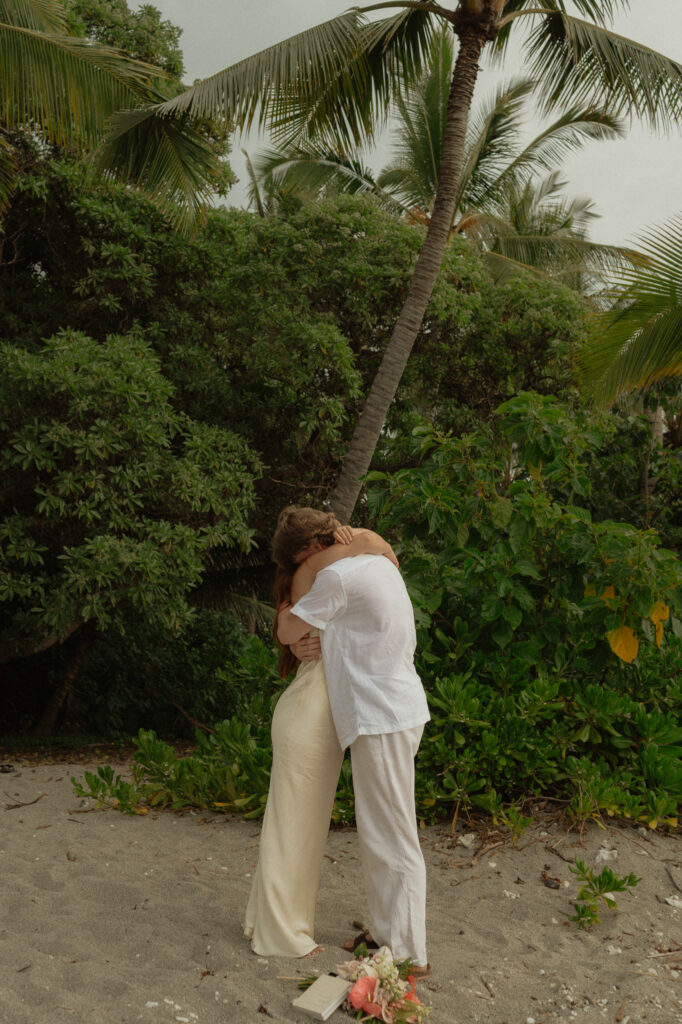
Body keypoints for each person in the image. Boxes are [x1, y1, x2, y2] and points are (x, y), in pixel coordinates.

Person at [277, 510, 431, 974]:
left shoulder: (339, 577)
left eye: (295, 560)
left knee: (393, 834)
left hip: (380, 713)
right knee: (381, 830)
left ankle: (408, 953)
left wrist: (301, 578)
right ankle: (387, 935)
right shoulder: (376, 561)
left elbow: (287, 630)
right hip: (393, 707)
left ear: (307, 551)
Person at [243, 507, 396, 958]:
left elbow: (379, 553)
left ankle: (271, 922)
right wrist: (351, 539)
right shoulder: (315, 569)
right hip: (309, 712)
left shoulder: (320, 568)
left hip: (320, 710)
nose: (336, 540)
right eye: (327, 537)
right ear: (309, 549)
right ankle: (281, 934)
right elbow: (380, 548)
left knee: (299, 825)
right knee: (293, 824)